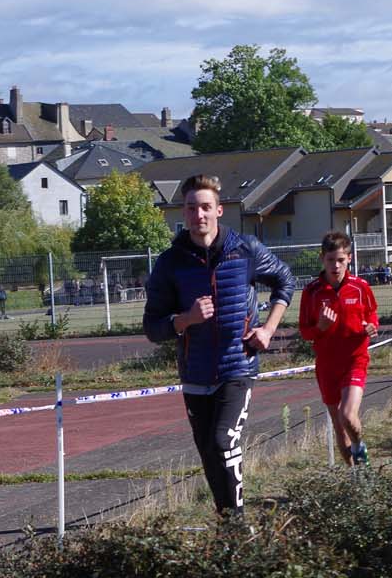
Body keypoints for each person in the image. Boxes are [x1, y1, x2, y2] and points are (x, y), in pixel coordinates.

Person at [143, 173, 294, 516]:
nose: (200, 215)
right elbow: (153, 327)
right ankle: (227, 525)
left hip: (237, 367)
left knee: (222, 441)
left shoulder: (245, 250)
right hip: (195, 373)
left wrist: (268, 329)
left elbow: (285, 281)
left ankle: (237, 525)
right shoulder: (170, 263)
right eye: (192, 208)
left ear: (219, 210)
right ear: (184, 212)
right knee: (209, 454)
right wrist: (186, 319)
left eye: (206, 207)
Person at [298, 231, 379, 466]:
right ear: (322, 258)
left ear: (349, 259)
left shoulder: (360, 287)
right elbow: (305, 332)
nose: (336, 266)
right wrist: (320, 328)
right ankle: (356, 478)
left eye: (341, 260)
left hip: (355, 359)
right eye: (331, 260)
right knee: (339, 426)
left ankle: (359, 450)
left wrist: (372, 327)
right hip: (326, 365)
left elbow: (372, 314)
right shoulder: (311, 292)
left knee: (348, 415)